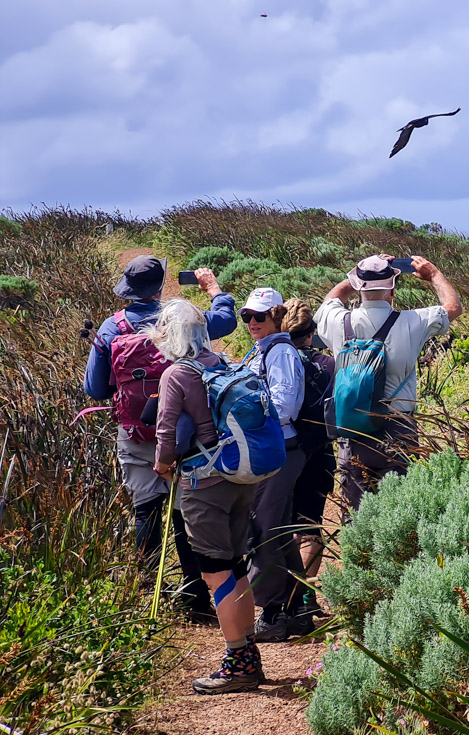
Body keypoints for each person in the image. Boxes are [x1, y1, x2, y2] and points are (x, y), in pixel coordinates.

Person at [83, 255, 235, 622]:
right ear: (162, 283)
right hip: (186, 433)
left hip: (136, 432)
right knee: (185, 515)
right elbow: (227, 320)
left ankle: (146, 592)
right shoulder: (182, 320)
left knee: (146, 511)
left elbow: (95, 390)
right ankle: (196, 600)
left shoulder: (110, 327)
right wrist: (213, 288)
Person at [147, 299, 262, 694]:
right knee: (237, 565)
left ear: (169, 335)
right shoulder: (224, 362)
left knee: (215, 572)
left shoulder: (177, 373)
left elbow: (164, 433)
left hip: (203, 482)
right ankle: (248, 652)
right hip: (238, 475)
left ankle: (238, 665)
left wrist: (163, 467)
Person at [316, 254, 461, 510]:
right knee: (398, 514)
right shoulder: (413, 321)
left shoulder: (338, 321)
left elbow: (331, 300)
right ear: (392, 289)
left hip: (353, 430)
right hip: (398, 429)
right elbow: (453, 307)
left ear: (358, 287)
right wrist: (434, 275)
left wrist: (355, 275)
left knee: (355, 517)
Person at [237, 287, 311, 641]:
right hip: (277, 450)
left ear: (277, 316)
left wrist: (243, 415)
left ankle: (272, 612)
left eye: (259, 316)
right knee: (278, 530)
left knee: (262, 531)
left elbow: (283, 407)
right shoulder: (265, 349)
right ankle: (299, 608)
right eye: (246, 316)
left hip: (277, 450)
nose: (252, 322)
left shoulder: (280, 352)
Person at [281, 298, 336, 617]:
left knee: (281, 526)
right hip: (318, 454)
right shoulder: (327, 365)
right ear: (311, 333)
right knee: (310, 526)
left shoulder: (275, 360)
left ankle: (287, 598)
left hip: (283, 453)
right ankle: (308, 598)